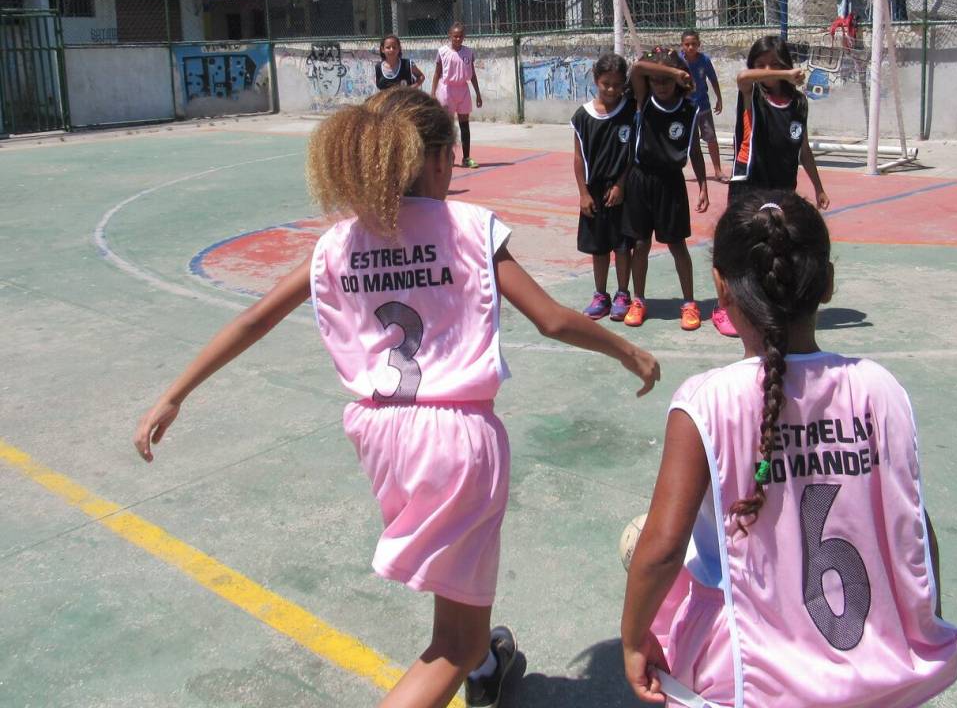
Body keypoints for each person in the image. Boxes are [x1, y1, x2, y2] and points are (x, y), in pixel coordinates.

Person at [133, 87, 660, 708]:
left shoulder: (337, 243)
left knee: (458, 608)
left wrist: (175, 393)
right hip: (456, 437)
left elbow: (254, 320)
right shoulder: (469, 226)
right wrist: (627, 350)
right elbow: (551, 319)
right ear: (437, 158)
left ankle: (486, 658)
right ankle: (473, 654)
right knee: (452, 648)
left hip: (383, 435)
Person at [620, 191, 957, 708]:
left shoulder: (707, 401)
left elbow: (663, 547)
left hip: (749, 682)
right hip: (877, 675)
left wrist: (632, 637)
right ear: (827, 283)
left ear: (720, 286)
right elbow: (915, 533)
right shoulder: (880, 389)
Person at [712, 36, 830, 337]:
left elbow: (803, 149)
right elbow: (742, 77)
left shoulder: (799, 103)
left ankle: (769, 300)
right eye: (761, 65)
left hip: (781, 185)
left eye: (775, 64)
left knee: (779, 244)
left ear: (788, 66)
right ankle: (725, 304)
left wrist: (818, 187)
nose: (768, 70)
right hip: (749, 179)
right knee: (739, 244)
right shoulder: (752, 94)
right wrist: (780, 74)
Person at [621, 48, 709, 331]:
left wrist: (704, 185)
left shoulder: (688, 109)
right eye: (656, 79)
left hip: (671, 182)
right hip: (641, 179)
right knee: (641, 244)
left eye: (667, 80)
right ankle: (638, 300)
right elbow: (635, 69)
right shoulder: (643, 100)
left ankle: (689, 303)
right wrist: (671, 71)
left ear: (678, 83)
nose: (661, 85)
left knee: (677, 245)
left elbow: (694, 149)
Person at [571, 53, 636, 323]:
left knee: (622, 246)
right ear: (596, 81)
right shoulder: (582, 117)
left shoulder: (631, 110)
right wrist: (583, 193)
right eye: (606, 83)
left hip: (621, 189)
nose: (611, 89)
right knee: (598, 248)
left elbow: (632, 154)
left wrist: (621, 184)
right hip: (593, 190)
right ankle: (601, 295)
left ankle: (623, 294)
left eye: (617, 84)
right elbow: (577, 157)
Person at [431, 23, 483, 168]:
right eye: (455, 36)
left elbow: (472, 75)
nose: (458, 39)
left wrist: (478, 94)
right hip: (447, 89)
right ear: (450, 36)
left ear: (464, 37)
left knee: (464, 124)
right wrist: (433, 93)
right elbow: (437, 73)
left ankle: (466, 158)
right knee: (447, 125)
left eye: (460, 36)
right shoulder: (442, 52)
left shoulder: (468, 52)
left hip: (463, 89)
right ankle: (447, 155)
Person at [680, 29, 725, 182]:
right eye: (687, 44)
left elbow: (712, 79)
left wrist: (719, 98)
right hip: (686, 108)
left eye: (693, 44)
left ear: (699, 44)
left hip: (703, 106)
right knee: (688, 141)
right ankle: (681, 170)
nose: (691, 47)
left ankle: (718, 171)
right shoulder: (678, 61)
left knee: (711, 137)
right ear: (682, 46)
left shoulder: (704, 60)